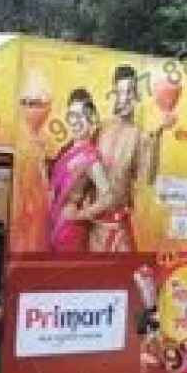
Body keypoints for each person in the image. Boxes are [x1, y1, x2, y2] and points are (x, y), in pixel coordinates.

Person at [77, 65, 175, 253]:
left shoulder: (139, 135)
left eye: (130, 92)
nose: (125, 98)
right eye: (120, 92)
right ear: (114, 94)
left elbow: (148, 178)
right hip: (92, 228)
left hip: (118, 232)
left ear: (136, 96)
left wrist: (158, 134)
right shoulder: (99, 129)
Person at [42, 89, 114, 253]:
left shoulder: (90, 156)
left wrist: (80, 215)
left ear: (91, 119)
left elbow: (109, 197)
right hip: (52, 224)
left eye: (81, 116)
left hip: (70, 231)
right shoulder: (66, 151)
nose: (75, 121)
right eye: (72, 116)